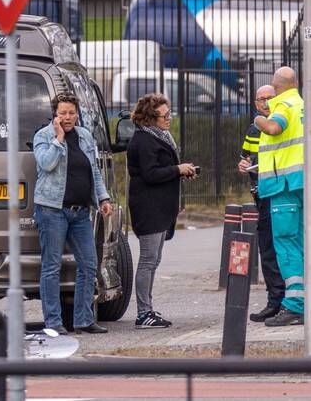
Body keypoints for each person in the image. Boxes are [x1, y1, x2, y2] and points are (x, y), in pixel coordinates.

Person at [32, 93, 113, 335]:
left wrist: (103, 198)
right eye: (62, 113)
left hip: (80, 212)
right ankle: (53, 322)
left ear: (77, 114)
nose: (67, 117)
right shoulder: (43, 136)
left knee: (89, 264)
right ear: (55, 115)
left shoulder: (85, 136)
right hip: (52, 210)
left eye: (71, 112)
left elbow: (94, 171)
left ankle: (83, 319)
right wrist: (58, 138)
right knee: (51, 266)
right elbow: (46, 164)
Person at [254, 66, 311, 327]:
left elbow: (273, 128)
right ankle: (306, 302)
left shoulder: (282, 104)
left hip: (284, 186)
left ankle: (294, 306)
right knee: (303, 244)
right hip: (306, 182)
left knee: (286, 244)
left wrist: (258, 121)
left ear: (277, 86)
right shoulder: (303, 105)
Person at [126, 92, 198, 329]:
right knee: (148, 260)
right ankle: (143, 313)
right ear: (150, 118)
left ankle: (147, 309)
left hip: (160, 207)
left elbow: (161, 169)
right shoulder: (144, 140)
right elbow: (150, 173)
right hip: (149, 208)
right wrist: (177, 169)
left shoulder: (158, 136)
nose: (168, 119)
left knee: (153, 260)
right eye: (164, 116)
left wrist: (182, 171)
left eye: (169, 114)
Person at [237, 84, 285, 322]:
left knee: (280, 248)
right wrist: (244, 165)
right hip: (261, 194)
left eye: (270, 98)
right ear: (255, 103)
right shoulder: (253, 129)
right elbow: (246, 158)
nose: (265, 103)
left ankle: (283, 301)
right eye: (261, 99)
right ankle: (274, 300)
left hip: (279, 192)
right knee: (266, 249)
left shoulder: (282, 123)